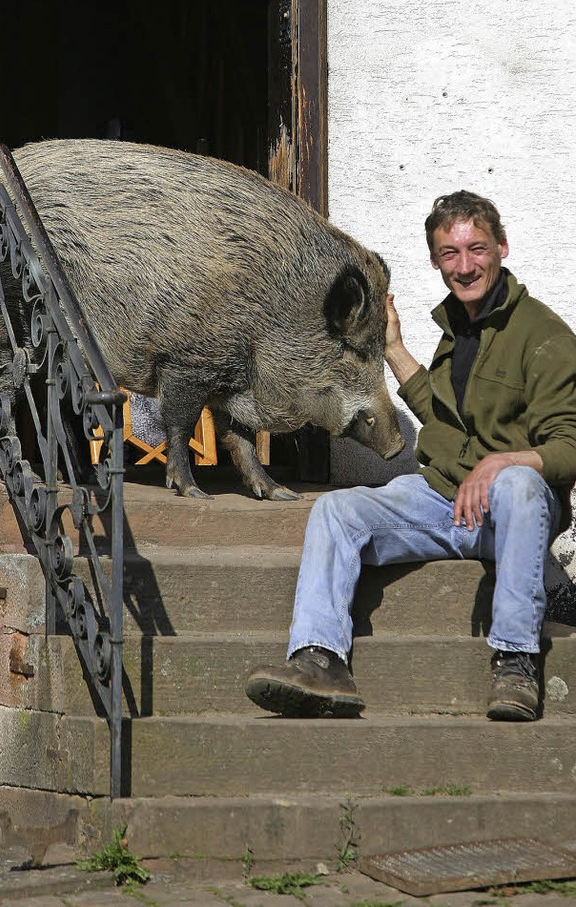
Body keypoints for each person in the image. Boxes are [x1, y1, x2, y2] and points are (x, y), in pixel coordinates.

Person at [245, 190, 576, 722]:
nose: (464, 266)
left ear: (502, 248)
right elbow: (449, 419)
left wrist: (502, 463)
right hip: (447, 500)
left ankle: (516, 661)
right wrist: (394, 348)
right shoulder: (457, 329)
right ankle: (319, 661)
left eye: (477, 249)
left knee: (517, 483)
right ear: (435, 261)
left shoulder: (545, 337)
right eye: (450, 253)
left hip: (514, 512)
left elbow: (570, 447)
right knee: (336, 510)